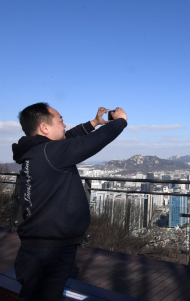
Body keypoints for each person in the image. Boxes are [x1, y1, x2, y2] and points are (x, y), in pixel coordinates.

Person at [12, 103, 127, 301]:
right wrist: (120, 122)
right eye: (61, 121)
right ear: (44, 128)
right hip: (51, 249)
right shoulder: (51, 153)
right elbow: (92, 142)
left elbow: (69, 138)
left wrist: (94, 123)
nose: (65, 125)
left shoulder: (38, 151)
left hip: (38, 243)